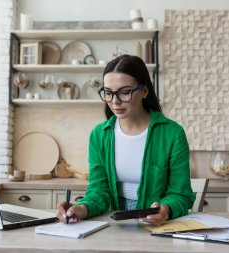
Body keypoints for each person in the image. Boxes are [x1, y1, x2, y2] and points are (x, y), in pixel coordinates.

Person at [57, 54, 195, 225]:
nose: (115, 101)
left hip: (158, 225)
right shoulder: (99, 135)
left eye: (125, 92)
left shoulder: (172, 134)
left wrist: (165, 210)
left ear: (144, 91)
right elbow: (99, 191)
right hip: (115, 225)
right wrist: (82, 208)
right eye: (108, 93)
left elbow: (181, 195)